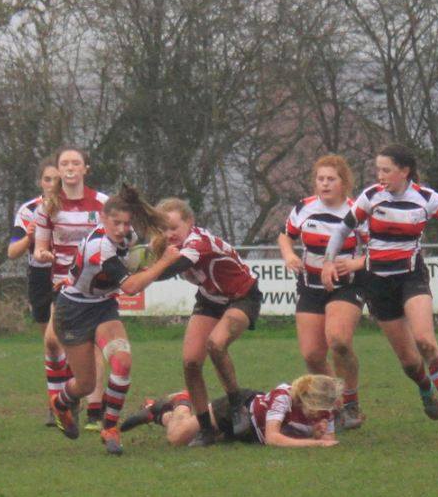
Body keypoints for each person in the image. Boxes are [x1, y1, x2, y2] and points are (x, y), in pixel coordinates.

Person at [322, 144, 438, 438]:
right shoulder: (371, 197)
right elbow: (342, 229)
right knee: (410, 362)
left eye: (386, 170)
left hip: (412, 278)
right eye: (378, 169)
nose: (380, 175)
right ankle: (425, 387)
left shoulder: (425, 199)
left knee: (426, 341)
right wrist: (327, 263)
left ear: (404, 171)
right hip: (378, 283)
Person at [49, 184, 182, 455]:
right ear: (102, 218)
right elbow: (131, 287)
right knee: (85, 384)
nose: (122, 229)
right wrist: (164, 262)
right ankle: (60, 403)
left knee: (122, 362)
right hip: (73, 311)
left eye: (126, 223)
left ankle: (110, 428)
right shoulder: (101, 248)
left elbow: (131, 257)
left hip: (103, 307)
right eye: (115, 223)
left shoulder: (127, 236)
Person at [153, 198, 262, 446]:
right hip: (210, 299)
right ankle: (205, 428)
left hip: (242, 296)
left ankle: (236, 406)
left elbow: (175, 267)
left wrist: (141, 276)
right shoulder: (163, 245)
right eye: (163, 229)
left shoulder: (197, 242)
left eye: (174, 228)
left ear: (189, 223)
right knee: (191, 362)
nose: (168, 234)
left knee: (216, 343)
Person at [278, 155, 368, 430]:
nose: (325, 184)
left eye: (331, 179)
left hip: (346, 285)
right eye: (321, 179)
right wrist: (288, 255)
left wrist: (354, 262)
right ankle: (337, 405)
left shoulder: (357, 212)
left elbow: (379, 251)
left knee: (339, 341)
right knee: (312, 355)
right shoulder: (304, 208)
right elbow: (285, 234)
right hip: (310, 286)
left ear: (344, 183)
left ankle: (351, 402)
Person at [34, 148, 110, 429]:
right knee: (53, 341)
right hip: (63, 286)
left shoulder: (103, 203)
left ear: (85, 168)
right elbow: (41, 247)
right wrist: (43, 255)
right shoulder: (48, 206)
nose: (70, 167)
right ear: (58, 168)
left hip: (95, 285)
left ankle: (94, 410)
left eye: (75, 162)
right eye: (64, 162)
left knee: (92, 346)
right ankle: (60, 403)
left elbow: (115, 238)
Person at [119, 375, 342, 448]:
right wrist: (316, 443)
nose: (322, 415)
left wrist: (318, 433)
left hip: (248, 434)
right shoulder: (283, 396)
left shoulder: (323, 408)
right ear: (307, 400)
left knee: (189, 438)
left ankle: (156, 413)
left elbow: (330, 439)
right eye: (319, 410)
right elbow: (273, 437)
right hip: (235, 410)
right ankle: (182, 401)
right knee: (177, 438)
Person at [6, 158, 63, 425]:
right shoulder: (28, 210)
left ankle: (68, 400)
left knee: (62, 339)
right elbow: (12, 252)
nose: (52, 184)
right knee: (50, 345)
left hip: (66, 276)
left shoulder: (71, 210)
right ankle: (56, 403)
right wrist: (30, 237)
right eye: (48, 179)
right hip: (40, 277)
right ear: (41, 181)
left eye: (57, 179)